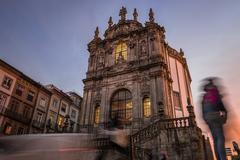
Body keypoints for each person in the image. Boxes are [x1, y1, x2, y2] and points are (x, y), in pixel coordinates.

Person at [201, 78, 227, 160]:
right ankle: (223, 158)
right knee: (220, 138)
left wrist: (206, 120)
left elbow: (202, 110)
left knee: (215, 139)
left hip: (209, 119)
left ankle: (218, 158)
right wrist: (224, 118)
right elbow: (223, 108)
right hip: (216, 117)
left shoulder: (204, 96)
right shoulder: (215, 93)